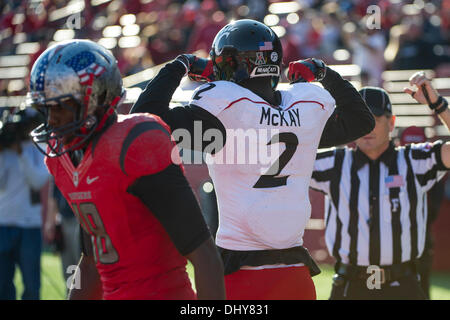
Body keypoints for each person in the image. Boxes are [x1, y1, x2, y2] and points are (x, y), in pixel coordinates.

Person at [131, 19, 375, 300]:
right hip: (295, 276)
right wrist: (324, 73)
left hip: (239, 275)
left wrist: (180, 65)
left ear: (230, 64)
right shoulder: (305, 112)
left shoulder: (221, 115)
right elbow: (362, 120)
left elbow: (144, 121)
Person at [26, 39, 225, 300]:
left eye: (61, 107)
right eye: (46, 109)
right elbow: (91, 259)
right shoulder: (62, 158)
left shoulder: (135, 144)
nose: (52, 121)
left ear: (96, 98)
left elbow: (203, 253)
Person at [310, 74, 450, 300]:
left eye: (373, 118)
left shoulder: (415, 161)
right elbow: (274, 160)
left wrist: (438, 104)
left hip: (402, 285)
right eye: (359, 119)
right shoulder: (333, 163)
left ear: (391, 122)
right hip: (350, 285)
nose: (366, 126)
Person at [0, 108, 49, 300]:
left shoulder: (40, 148)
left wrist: (21, 154)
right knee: (2, 283)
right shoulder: (4, 150)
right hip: (4, 221)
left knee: (31, 284)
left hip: (29, 224)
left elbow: (38, 181)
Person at [399, 126, 446, 299]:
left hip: (420, 237)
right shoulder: (388, 166)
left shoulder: (431, 172)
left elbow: (433, 208)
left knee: (421, 287)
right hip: (393, 240)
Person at [44, 178, 82, 295]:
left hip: (82, 219)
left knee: (83, 269)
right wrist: (50, 221)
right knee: (70, 269)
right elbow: (53, 196)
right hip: (65, 220)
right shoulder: (59, 162)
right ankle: (71, 295)